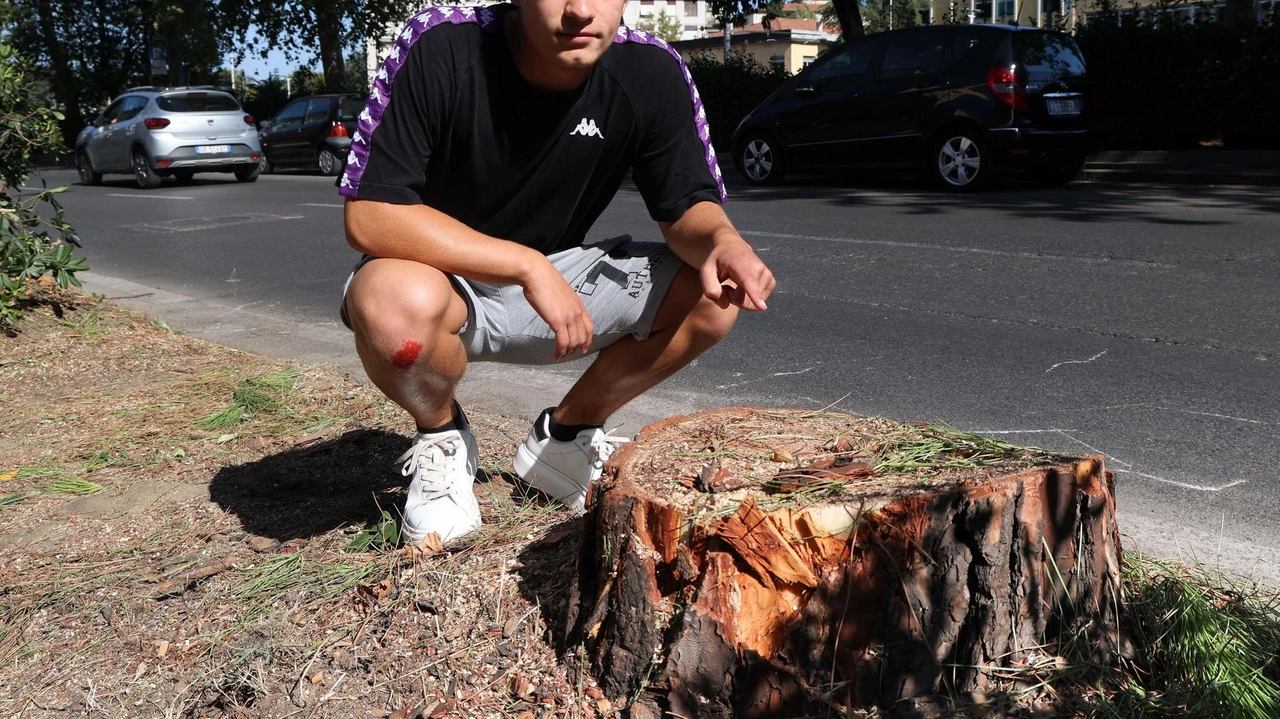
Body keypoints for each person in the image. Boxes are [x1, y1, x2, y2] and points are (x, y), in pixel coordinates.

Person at [338, 0, 776, 545]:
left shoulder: (651, 70)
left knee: (712, 292)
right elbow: (371, 213)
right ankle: (442, 438)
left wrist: (722, 241)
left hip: (561, 275)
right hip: (438, 274)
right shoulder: (442, 45)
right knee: (389, 304)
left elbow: (687, 203)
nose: (580, 11)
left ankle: (563, 441)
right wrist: (525, 265)